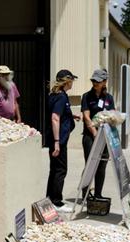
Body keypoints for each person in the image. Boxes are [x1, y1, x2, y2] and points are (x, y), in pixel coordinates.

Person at [46, 69, 80, 213]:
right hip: (59, 139)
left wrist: (72, 116)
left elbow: (61, 114)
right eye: (72, 80)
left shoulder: (57, 95)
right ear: (67, 81)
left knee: (54, 169)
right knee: (60, 170)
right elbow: (55, 117)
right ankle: (56, 202)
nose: (73, 83)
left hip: (58, 138)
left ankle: (49, 199)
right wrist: (57, 142)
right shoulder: (60, 97)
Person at [81, 68, 116, 197]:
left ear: (105, 82)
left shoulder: (109, 98)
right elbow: (86, 116)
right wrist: (94, 132)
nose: (95, 83)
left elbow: (112, 115)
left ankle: (98, 195)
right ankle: (85, 194)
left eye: (98, 81)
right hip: (90, 136)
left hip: (105, 136)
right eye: (93, 80)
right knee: (90, 164)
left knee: (102, 165)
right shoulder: (86, 96)